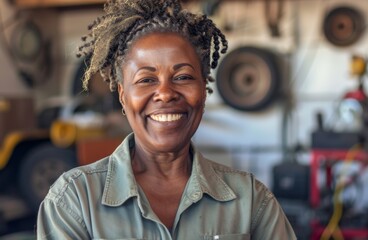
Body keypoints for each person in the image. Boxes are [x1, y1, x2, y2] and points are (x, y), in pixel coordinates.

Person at [36, 0, 296, 239]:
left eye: (183, 77)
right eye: (147, 80)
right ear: (123, 97)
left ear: (203, 90)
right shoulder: (73, 201)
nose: (165, 93)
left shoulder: (250, 201)